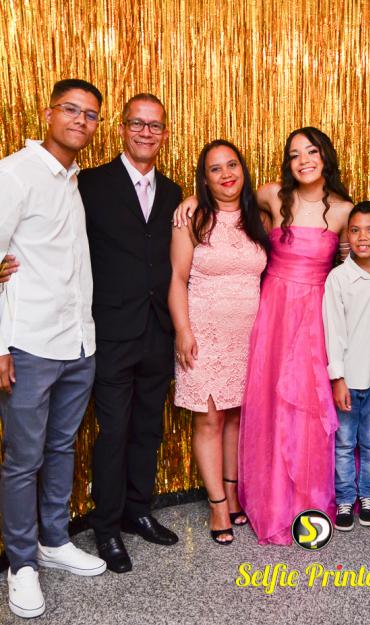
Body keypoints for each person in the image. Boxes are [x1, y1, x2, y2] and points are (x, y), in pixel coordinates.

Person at [174, 127, 353, 544]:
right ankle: (261, 497)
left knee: (306, 405)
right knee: (266, 405)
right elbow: (227, 198)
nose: (304, 160)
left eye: (311, 151)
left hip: (314, 316)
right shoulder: (272, 196)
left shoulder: (345, 211)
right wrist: (192, 199)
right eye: (294, 154)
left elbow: (349, 272)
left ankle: (304, 499)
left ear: (325, 156)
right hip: (270, 315)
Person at [0, 78, 106, 619]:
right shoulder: (14, 173)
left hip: (78, 342)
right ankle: (21, 565)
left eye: (90, 114)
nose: (80, 121)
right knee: (24, 459)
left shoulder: (73, 180)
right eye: (71, 109)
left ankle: (54, 540)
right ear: (48, 113)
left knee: (62, 447)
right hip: (28, 344)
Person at [78, 94, 182, 573]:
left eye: (154, 125)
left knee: (147, 428)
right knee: (114, 431)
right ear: (121, 129)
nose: (145, 132)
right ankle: (106, 526)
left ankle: (138, 511)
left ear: (165, 134)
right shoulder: (90, 183)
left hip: (158, 330)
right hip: (111, 330)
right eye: (137, 123)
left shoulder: (175, 192)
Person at [169, 140, 268, 545]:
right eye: (215, 169)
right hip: (204, 333)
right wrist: (183, 331)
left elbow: (290, 189)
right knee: (209, 418)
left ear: (243, 170)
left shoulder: (259, 216)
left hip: (249, 336)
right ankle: (216, 504)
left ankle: (232, 492)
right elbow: (177, 278)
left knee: (236, 418)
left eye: (232, 165)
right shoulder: (192, 218)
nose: (226, 174)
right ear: (204, 179)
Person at [322, 201, 370, 531]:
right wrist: (338, 378)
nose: (363, 237)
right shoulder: (338, 278)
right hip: (349, 379)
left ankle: (367, 496)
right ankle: (345, 500)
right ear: (347, 236)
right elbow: (334, 331)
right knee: (345, 444)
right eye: (355, 230)